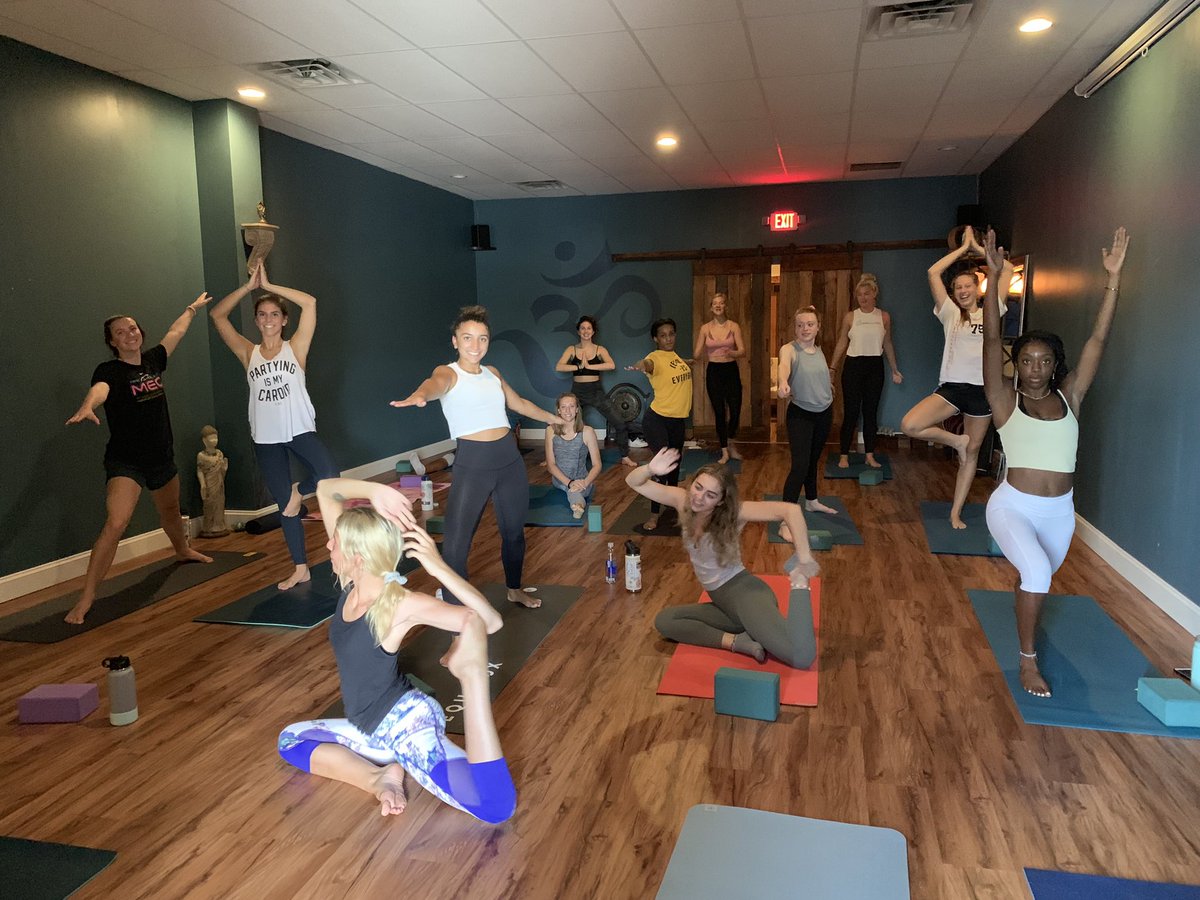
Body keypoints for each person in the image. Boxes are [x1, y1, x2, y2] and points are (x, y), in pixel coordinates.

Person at [276, 477, 516, 824]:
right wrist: (374, 492)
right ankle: (379, 777)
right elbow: (327, 491)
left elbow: (489, 622)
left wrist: (438, 567)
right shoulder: (351, 583)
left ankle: (472, 678)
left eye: (335, 542)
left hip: (406, 725)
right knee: (290, 740)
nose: (328, 546)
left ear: (357, 556)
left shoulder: (399, 603)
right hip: (368, 727)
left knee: (493, 807)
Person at [981, 227, 1129, 699]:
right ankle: (1027, 661)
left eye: (1045, 361)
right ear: (1017, 364)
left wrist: (1114, 279)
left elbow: (1098, 341)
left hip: (1059, 512)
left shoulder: (1071, 396)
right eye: (1027, 360)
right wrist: (994, 278)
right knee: (1039, 575)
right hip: (1012, 506)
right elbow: (990, 344)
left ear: (1054, 364)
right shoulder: (1005, 401)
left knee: (1038, 577)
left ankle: (1027, 618)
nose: (1037, 368)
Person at [391, 306, 563, 609]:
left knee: (514, 533)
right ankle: (456, 608)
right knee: (457, 544)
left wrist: (552, 418)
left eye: (482, 339)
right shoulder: (448, 373)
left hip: (509, 461)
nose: (475, 346)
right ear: (455, 341)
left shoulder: (492, 373)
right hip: (473, 465)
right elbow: (434, 385)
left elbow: (519, 404)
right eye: (467, 338)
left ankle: (514, 588)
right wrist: (420, 395)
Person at [64, 295, 214, 623]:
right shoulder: (109, 370)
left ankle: (182, 550)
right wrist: (89, 405)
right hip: (126, 461)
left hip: (160, 455)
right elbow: (101, 389)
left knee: (171, 512)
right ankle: (86, 597)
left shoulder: (153, 361)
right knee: (117, 522)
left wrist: (190, 309)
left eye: (132, 328)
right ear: (112, 342)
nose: (129, 334)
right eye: (120, 332)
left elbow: (174, 334)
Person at [627, 449, 821, 667]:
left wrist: (804, 558)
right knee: (666, 621)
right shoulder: (682, 500)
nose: (699, 497)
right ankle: (738, 642)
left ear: (721, 501)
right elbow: (634, 482)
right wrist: (650, 469)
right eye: (698, 487)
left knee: (800, 657)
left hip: (745, 595)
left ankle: (799, 581)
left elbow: (791, 511)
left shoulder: (735, 512)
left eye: (711, 495)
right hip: (722, 603)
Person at [210, 262, 339, 590]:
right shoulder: (247, 352)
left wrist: (270, 283)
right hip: (265, 437)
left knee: (328, 475)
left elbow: (309, 302)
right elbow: (217, 316)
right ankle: (300, 568)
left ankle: (300, 490)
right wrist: (248, 288)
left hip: (298, 428)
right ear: (256, 321)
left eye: (274, 314)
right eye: (262, 314)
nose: (268, 319)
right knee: (286, 507)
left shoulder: (295, 348)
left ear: (284, 320)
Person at [901, 226, 1012, 529]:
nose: (962, 291)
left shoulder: (993, 309)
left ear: (978, 288)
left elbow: (1009, 267)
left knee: (971, 455)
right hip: (952, 388)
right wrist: (963, 250)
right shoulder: (949, 313)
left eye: (968, 286)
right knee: (910, 424)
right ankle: (956, 441)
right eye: (958, 287)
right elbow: (933, 272)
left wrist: (980, 250)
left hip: (983, 392)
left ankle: (955, 512)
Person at [829, 274, 902, 469]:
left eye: (866, 294)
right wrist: (832, 368)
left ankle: (869, 454)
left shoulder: (884, 317)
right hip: (853, 367)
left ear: (874, 294)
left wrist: (895, 369)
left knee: (870, 413)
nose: (863, 298)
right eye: (860, 294)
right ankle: (844, 454)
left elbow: (887, 343)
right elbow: (842, 342)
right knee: (851, 412)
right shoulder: (851, 317)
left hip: (875, 367)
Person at [626, 318, 692, 532]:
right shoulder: (653, 357)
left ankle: (672, 509)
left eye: (671, 334)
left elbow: (674, 371)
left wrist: (689, 362)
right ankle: (654, 515)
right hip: (658, 420)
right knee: (661, 469)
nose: (668, 338)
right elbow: (649, 365)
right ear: (655, 338)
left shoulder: (675, 357)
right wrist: (640, 365)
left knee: (673, 469)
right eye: (663, 335)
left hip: (677, 421)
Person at [777, 307, 837, 515]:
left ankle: (811, 500)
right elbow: (784, 365)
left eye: (810, 324)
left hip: (824, 413)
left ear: (818, 327)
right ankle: (787, 516)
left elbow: (815, 375)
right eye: (800, 325)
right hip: (801, 415)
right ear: (794, 328)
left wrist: (826, 387)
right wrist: (783, 381)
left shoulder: (819, 350)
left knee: (812, 462)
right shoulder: (789, 349)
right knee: (800, 466)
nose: (805, 328)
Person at [554, 315, 635, 468]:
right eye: (583, 328)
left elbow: (611, 365)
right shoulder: (571, 349)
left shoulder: (599, 350)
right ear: (578, 331)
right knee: (565, 423)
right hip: (577, 392)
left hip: (596, 391)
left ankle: (624, 456)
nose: (586, 331)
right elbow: (559, 367)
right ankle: (556, 457)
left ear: (593, 331)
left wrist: (589, 366)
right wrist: (579, 367)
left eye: (588, 328)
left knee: (619, 422)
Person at [692, 293, 746, 464]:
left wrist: (732, 353)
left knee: (736, 410)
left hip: (731, 370)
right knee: (720, 412)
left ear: (725, 306)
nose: (718, 306)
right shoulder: (705, 328)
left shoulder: (734, 326)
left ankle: (730, 441)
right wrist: (696, 357)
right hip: (714, 371)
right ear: (711, 307)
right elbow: (697, 353)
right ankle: (724, 451)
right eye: (715, 303)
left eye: (721, 303)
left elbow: (742, 351)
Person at [544, 393, 602, 519]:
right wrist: (570, 483)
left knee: (576, 490)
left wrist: (585, 482)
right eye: (563, 407)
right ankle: (577, 505)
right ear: (558, 410)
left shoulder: (587, 432)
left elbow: (597, 465)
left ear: (577, 410)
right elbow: (550, 465)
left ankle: (577, 505)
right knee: (572, 490)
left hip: (582, 480)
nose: (567, 410)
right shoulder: (550, 431)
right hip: (560, 480)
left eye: (571, 406)